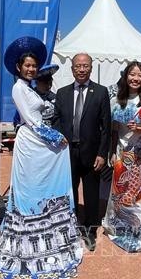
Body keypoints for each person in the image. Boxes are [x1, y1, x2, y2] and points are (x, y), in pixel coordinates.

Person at [0, 36, 83, 279]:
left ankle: (50, 230)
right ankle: (27, 238)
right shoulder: (18, 88)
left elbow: (42, 114)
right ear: (18, 67)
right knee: (30, 189)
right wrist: (56, 137)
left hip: (39, 141)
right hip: (32, 139)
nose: (31, 69)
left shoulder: (30, 88)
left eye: (34, 65)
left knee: (42, 186)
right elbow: (31, 120)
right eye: (27, 65)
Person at [101, 62, 141, 252]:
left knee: (140, 195)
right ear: (126, 76)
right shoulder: (117, 100)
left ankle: (140, 233)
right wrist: (111, 152)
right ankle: (119, 227)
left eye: (140, 75)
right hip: (121, 152)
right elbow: (113, 130)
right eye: (132, 74)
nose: (136, 78)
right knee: (120, 191)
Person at [53, 53, 111, 251]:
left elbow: (106, 126)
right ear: (72, 69)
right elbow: (56, 121)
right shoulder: (62, 93)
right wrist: (60, 140)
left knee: (91, 193)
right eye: (78, 66)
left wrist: (103, 154)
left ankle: (90, 229)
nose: (81, 69)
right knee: (68, 191)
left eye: (85, 65)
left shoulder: (101, 92)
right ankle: (72, 225)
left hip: (92, 153)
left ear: (91, 68)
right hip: (67, 152)